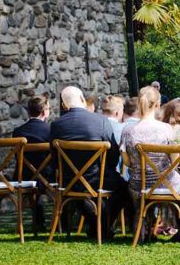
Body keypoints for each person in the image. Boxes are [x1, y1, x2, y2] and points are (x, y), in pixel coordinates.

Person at [49, 86, 134, 238]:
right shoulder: (100, 121)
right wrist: (105, 169)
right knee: (125, 189)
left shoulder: (56, 125)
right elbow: (113, 154)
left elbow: (55, 159)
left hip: (68, 181)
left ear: (63, 105)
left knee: (83, 195)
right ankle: (102, 226)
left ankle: (98, 226)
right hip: (97, 179)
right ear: (82, 99)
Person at [120, 86, 178, 241]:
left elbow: (127, 162)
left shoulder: (127, 130)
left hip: (138, 185)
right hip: (166, 184)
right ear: (158, 104)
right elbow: (174, 161)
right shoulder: (166, 129)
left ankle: (143, 230)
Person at [13, 95, 52, 229]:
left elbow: (17, 158)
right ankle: (62, 223)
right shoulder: (51, 130)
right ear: (44, 111)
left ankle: (38, 221)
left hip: (23, 177)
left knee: (32, 173)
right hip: (48, 178)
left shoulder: (18, 132)